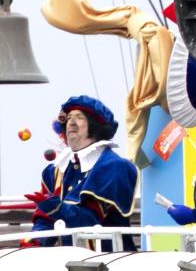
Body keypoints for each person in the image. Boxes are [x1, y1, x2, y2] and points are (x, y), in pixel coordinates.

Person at [28, 96, 140, 251]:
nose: (71, 123)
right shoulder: (55, 170)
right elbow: (46, 219)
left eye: (79, 117)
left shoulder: (113, 166)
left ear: (94, 126)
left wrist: (56, 209)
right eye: (68, 118)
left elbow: (90, 221)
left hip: (110, 261)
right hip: (67, 263)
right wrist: (36, 240)